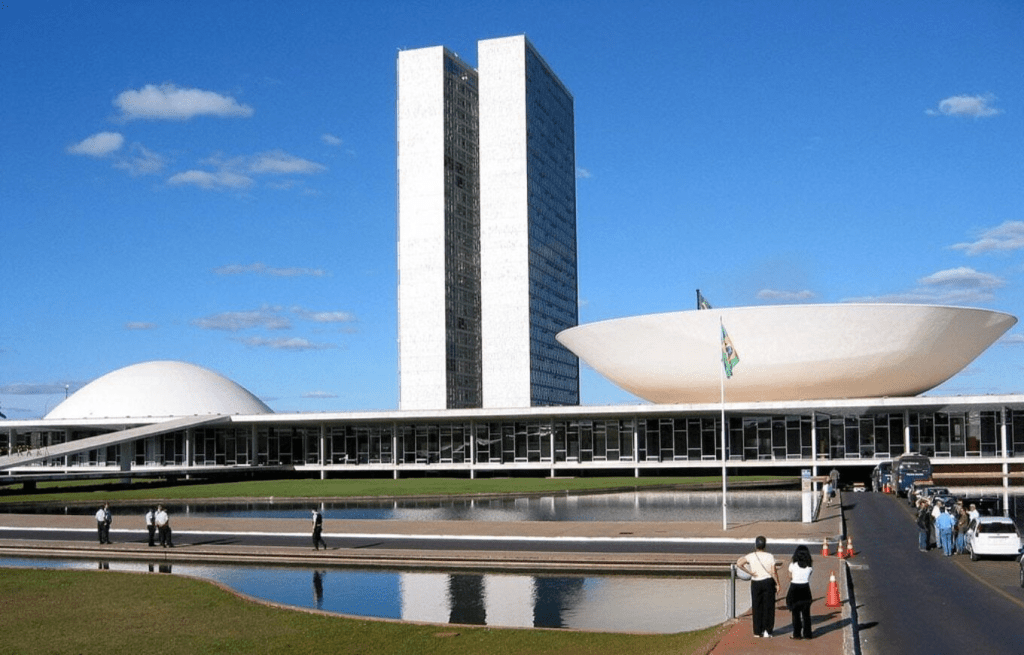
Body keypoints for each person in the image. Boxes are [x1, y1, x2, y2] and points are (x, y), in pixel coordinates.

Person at [737, 535, 781, 638]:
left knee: (757, 606)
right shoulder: (770, 556)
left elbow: (739, 564)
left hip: (756, 582)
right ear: (765, 545)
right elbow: (773, 571)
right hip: (768, 582)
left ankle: (757, 631)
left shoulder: (751, 556)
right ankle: (767, 631)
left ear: (756, 545)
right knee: (769, 607)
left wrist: (750, 572)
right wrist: (778, 584)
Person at [786, 544, 814, 640]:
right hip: (805, 589)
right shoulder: (809, 567)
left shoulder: (792, 565)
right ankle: (808, 634)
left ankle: (797, 634)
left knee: (795, 614)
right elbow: (808, 575)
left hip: (794, 588)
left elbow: (790, 576)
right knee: (806, 614)